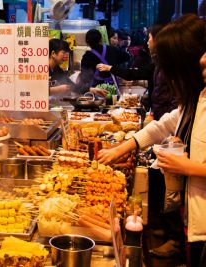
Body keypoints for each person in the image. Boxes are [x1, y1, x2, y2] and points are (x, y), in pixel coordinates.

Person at [98, 14, 206, 266]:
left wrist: (189, 168)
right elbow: (166, 123)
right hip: (195, 214)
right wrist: (123, 147)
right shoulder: (197, 98)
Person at [96, 23, 177, 120]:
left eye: (149, 38)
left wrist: (110, 68)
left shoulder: (164, 64)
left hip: (164, 118)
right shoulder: (161, 62)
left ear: (158, 41)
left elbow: (136, 73)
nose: (147, 42)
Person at [77, 29, 130, 95]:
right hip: (112, 89)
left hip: (97, 91)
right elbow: (127, 57)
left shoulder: (87, 57)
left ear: (87, 41)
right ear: (100, 39)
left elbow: (84, 77)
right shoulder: (112, 49)